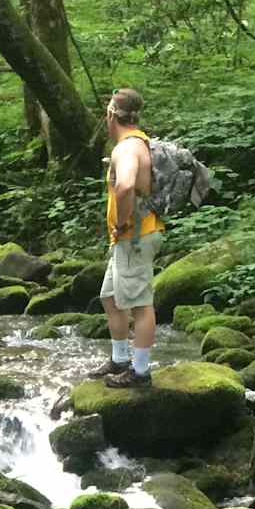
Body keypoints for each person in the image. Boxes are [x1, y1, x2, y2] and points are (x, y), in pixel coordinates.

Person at [89, 88, 164, 390]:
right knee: (110, 297)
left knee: (141, 305)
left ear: (111, 115)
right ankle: (120, 359)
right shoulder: (136, 142)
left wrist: (120, 224)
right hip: (133, 237)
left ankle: (141, 372)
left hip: (134, 237)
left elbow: (125, 186)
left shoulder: (126, 149)